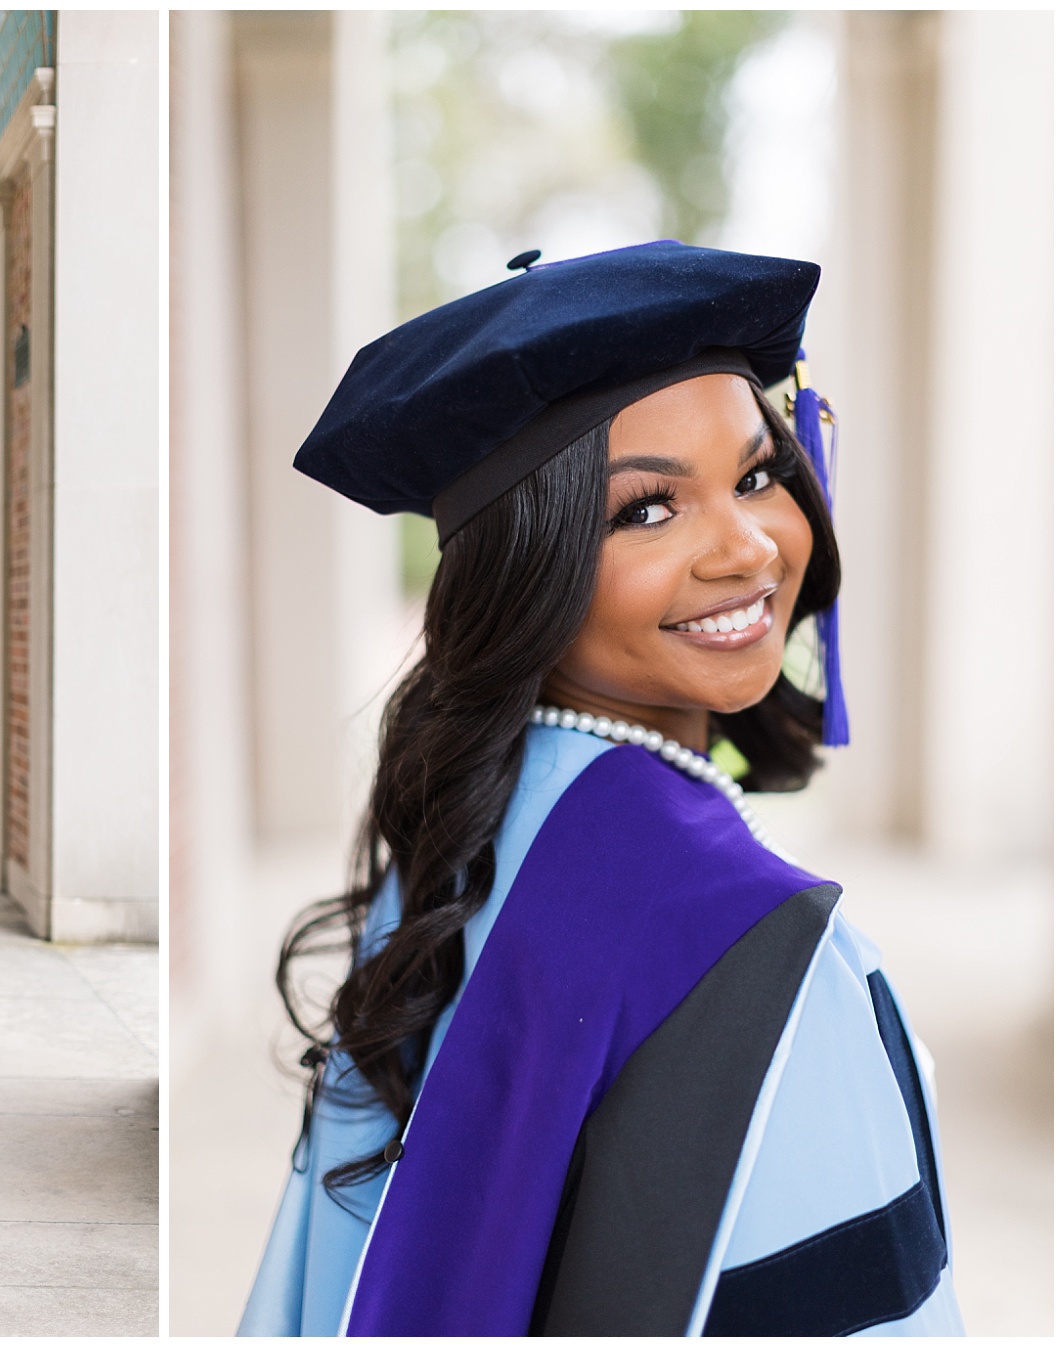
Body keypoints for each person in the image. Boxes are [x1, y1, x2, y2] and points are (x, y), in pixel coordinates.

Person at [240, 242, 962, 1336]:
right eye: (647, 511)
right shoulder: (756, 939)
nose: (747, 547)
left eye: (759, 475)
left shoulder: (456, 837)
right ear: (527, 566)